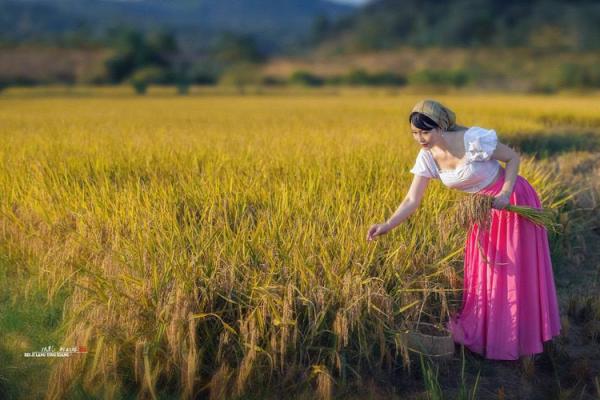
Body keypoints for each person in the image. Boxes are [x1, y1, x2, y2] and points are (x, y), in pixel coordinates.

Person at [366, 99, 562, 361]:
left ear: (442, 127)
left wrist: (504, 193)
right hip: (481, 211)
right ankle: (492, 336)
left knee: (513, 271)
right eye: (415, 133)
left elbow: (512, 158)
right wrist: (387, 225)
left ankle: (521, 339)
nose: (420, 138)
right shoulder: (427, 156)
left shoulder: (473, 140)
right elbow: (412, 200)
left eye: (425, 131)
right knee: (487, 271)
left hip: (511, 200)